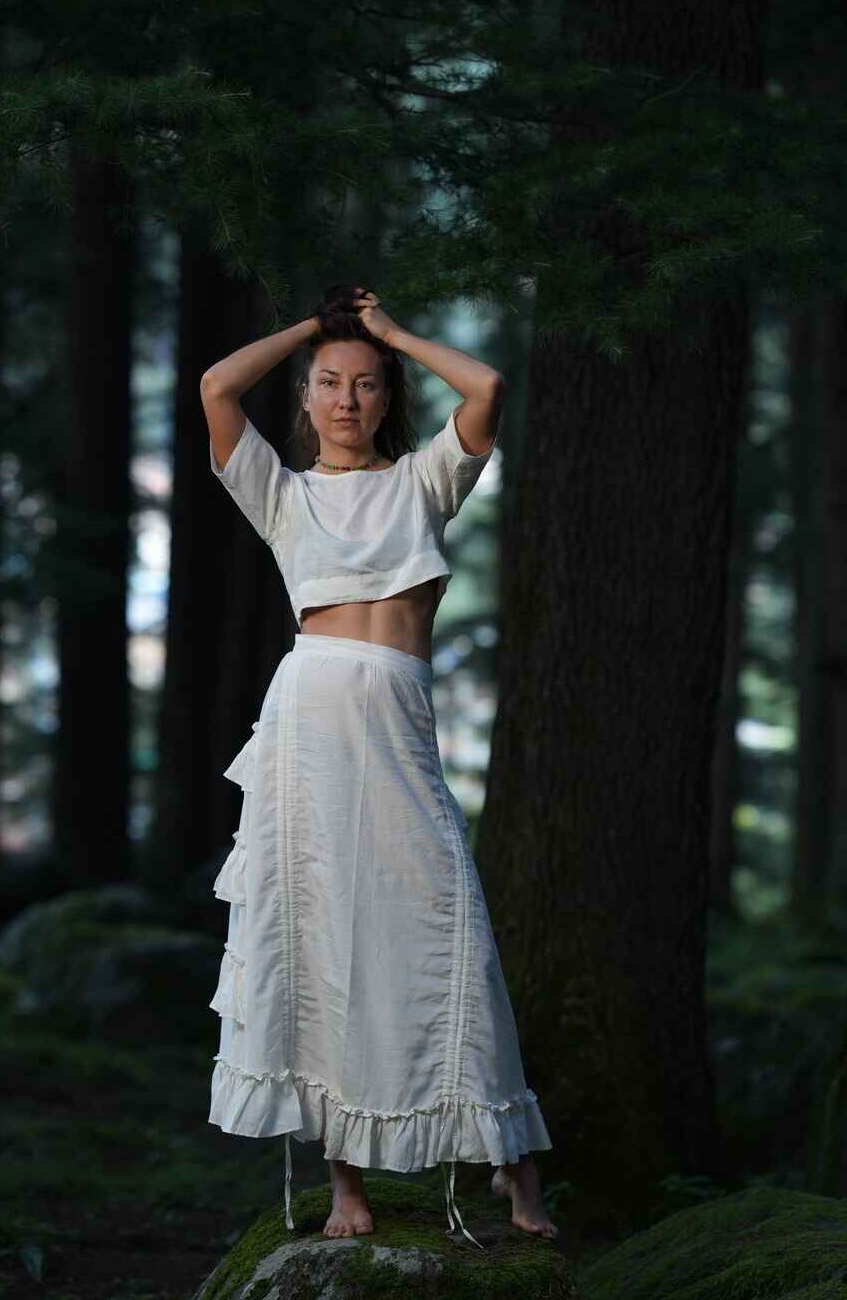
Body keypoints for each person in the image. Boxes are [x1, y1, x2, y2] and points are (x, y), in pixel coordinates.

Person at [201, 284, 558, 1247]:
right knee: (316, 945)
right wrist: (311, 332)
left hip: (396, 728)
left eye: (365, 385)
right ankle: (343, 1186)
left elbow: (485, 387)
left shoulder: (423, 483)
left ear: (384, 397)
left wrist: (388, 333)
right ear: (309, 398)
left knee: (454, 935)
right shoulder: (283, 491)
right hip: (306, 728)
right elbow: (216, 389)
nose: (347, 399)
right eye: (329, 384)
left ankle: (511, 1167)